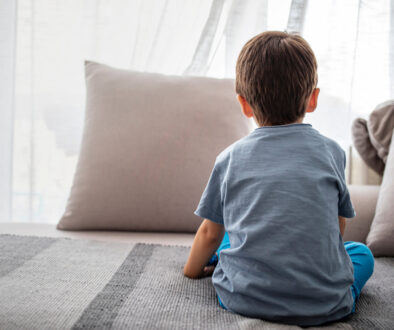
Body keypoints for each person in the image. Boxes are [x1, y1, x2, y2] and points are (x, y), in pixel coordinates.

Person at [183, 31, 374, 326]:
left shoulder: (230, 158)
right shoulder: (332, 152)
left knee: (229, 238)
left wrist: (190, 272)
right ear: (313, 99)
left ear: (244, 104)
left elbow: (209, 232)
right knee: (362, 254)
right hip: (325, 306)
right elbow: (338, 225)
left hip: (243, 299)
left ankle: (227, 264)